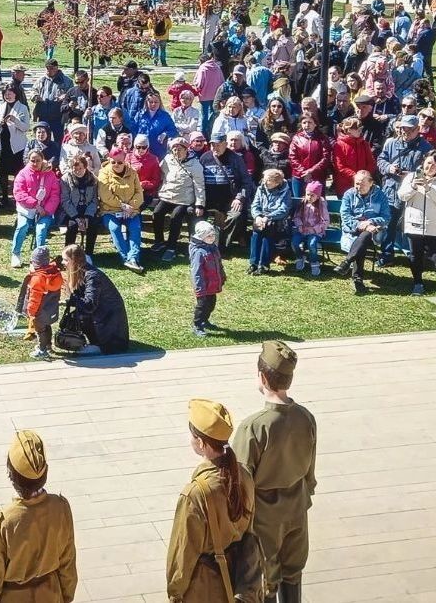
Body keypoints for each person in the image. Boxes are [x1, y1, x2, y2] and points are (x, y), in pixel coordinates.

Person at [232, 341, 316, 603]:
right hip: (297, 509)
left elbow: (240, 482)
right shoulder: (306, 417)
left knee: (266, 580)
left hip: (264, 518)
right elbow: (310, 472)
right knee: (293, 573)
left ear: (262, 377)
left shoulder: (254, 427)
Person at [165, 399, 255, 603]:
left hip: (205, 587)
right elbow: (250, 528)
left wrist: (175, 593)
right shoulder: (244, 474)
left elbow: (184, 553)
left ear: (201, 443)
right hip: (239, 579)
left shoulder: (195, 493)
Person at [0, 429, 78, 603]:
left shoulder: (3, 523)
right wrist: (65, 598)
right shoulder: (61, 508)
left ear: (11, 475)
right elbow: (67, 564)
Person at [399, 152, 436, 302]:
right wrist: (414, 186)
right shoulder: (411, 176)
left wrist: (428, 188)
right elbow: (402, 196)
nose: (430, 167)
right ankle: (418, 283)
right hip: (414, 223)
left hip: (435, 225)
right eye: (428, 163)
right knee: (415, 256)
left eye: (435, 165)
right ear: (423, 162)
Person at [335, 170, 392, 295]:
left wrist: (370, 222)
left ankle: (347, 262)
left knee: (365, 236)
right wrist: (359, 225)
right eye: (356, 183)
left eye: (362, 184)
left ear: (371, 183)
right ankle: (357, 279)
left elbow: (386, 217)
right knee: (361, 241)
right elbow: (345, 216)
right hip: (353, 230)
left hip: (375, 232)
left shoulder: (380, 195)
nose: (358, 187)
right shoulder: (349, 194)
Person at [11, 149, 60, 268]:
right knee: (22, 226)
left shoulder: (50, 174)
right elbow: (19, 193)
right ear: (28, 160)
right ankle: (15, 253)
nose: (35, 163)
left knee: (41, 230)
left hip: (45, 211)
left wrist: (46, 210)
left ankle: (38, 259)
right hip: (26, 209)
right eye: (32, 160)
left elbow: (55, 195)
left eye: (38, 160)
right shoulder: (23, 173)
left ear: (42, 160)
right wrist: (35, 205)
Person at [16, 246, 64, 359]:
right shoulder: (55, 273)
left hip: (39, 311)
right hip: (50, 309)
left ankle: (42, 350)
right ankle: (48, 346)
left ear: (35, 263)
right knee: (47, 326)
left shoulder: (37, 279)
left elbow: (34, 299)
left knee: (40, 330)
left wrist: (31, 313)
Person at [250, 168, 292, 275]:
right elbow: (255, 205)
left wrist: (268, 217)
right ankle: (254, 263)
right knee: (256, 232)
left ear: (277, 183)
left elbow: (284, 210)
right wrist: (258, 216)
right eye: (264, 179)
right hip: (262, 218)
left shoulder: (285, 191)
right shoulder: (261, 188)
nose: (264, 182)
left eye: (268, 180)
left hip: (278, 221)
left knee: (267, 232)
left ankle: (264, 265)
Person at [188, 221, 226, 338]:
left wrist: (222, 275)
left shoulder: (213, 248)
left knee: (211, 304)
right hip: (203, 285)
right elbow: (196, 271)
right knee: (202, 306)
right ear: (201, 237)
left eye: (213, 235)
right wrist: (199, 287)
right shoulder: (199, 252)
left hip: (212, 284)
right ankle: (197, 324)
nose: (212, 237)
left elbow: (219, 264)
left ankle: (205, 320)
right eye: (208, 236)